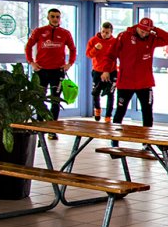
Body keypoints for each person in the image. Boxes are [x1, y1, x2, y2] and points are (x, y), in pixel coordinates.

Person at [112, 17, 168, 128]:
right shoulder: (124, 36)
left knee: (147, 112)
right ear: (138, 28)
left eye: (147, 32)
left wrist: (155, 29)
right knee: (120, 111)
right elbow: (112, 54)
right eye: (142, 31)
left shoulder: (152, 38)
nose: (144, 34)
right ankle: (114, 142)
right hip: (125, 82)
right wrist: (109, 71)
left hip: (145, 82)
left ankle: (147, 143)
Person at [24, 7, 76, 139]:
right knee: (40, 99)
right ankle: (40, 127)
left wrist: (69, 63)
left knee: (55, 100)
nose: (55, 19)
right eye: (52, 16)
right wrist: (31, 62)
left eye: (57, 17)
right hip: (41, 70)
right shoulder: (40, 31)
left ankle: (52, 129)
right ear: (48, 17)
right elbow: (29, 46)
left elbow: (73, 49)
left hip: (57, 71)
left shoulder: (65, 33)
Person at [86, 22, 117, 121]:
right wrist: (95, 48)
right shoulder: (94, 40)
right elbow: (89, 55)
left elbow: (117, 56)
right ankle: (97, 109)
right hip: (97, 70)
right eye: (103, 31)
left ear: (111, 32)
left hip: (111, 71)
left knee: (110, 94)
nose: (104, 34)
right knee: (95, 92)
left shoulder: (115, 42)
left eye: (107, 32)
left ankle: (108, 116)